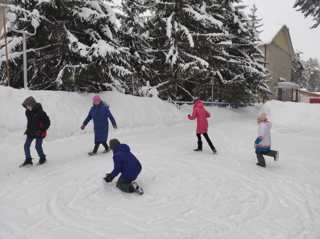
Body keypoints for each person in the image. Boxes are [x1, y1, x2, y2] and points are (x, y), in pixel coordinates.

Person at [21, 96, 50, 167]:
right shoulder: (28, 112)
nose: (27, 107)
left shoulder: (41, 112)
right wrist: (27, 130)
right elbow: (30, 122)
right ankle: (28, 160)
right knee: (26, 146)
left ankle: (42, 158)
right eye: (26, 106)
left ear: (32, 105)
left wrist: (43, 128)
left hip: (39, 132)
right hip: (31, 132)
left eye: (28, 106)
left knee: (37, 146)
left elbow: (48, 122)